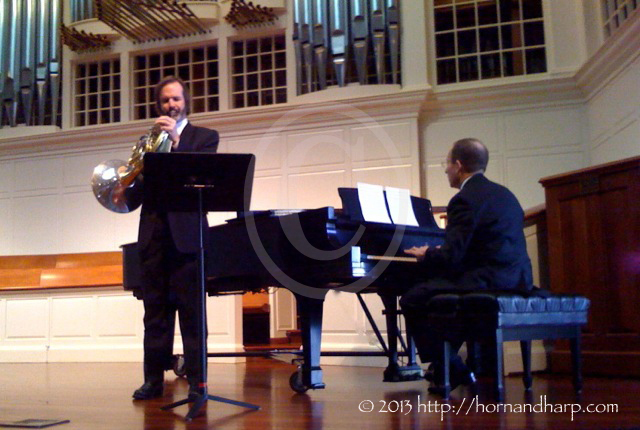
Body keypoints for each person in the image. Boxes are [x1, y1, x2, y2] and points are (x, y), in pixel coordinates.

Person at [401, 138, 533, 395]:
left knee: (413, 299)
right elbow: (484, 245)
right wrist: (440, 252)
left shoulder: (463, 199)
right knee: (441, 297)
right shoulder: (505, 195)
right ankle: (450, 366)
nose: (446, 169)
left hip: (488, 282)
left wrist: (427, 255)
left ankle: (455, 369)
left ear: (459, 165)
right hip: (517, 280)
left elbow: (452, 258)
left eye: (447, 164)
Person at [132, 76, 219, 400]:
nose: (172, 105)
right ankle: (153, 381)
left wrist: (176, 144)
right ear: (159, 104)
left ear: (186, 101)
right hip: (153, 237)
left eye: (177, 99)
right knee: (155, 315)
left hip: (188, 239)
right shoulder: (148, 142)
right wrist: (128, 180)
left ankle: (198, 383)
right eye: (166, 100)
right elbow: (138, 192)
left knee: (192, 315)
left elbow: (199, 175)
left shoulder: (205, 138)